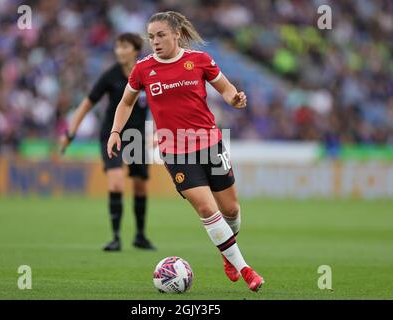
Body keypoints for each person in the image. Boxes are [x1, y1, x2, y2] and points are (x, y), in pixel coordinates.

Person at [107, 12, 264, 292]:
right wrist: (116, 132)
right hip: (175, 151)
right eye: (151, 36)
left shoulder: (200, 60)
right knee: (206, 208)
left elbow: (226, 90)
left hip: (210, 143)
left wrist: (235, 99)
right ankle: (245, 268)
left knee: (231, 209)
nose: (154, 42)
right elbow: (125, 103)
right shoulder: (143, 69)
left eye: (161, 35)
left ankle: (228, 255)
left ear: (176, 34)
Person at [61, 33, 156, 252]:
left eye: (124, 47)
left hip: (137, 137)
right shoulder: (110, 76)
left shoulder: (147, 74)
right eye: (117, 47)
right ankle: (115, 237)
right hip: (112, 135)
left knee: (140, 185)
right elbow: (86, 104)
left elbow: (161, 103)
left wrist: (159, 132)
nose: (119, 51)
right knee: (116, 183)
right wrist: (70, 133)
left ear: (135, 50)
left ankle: (140, 235)